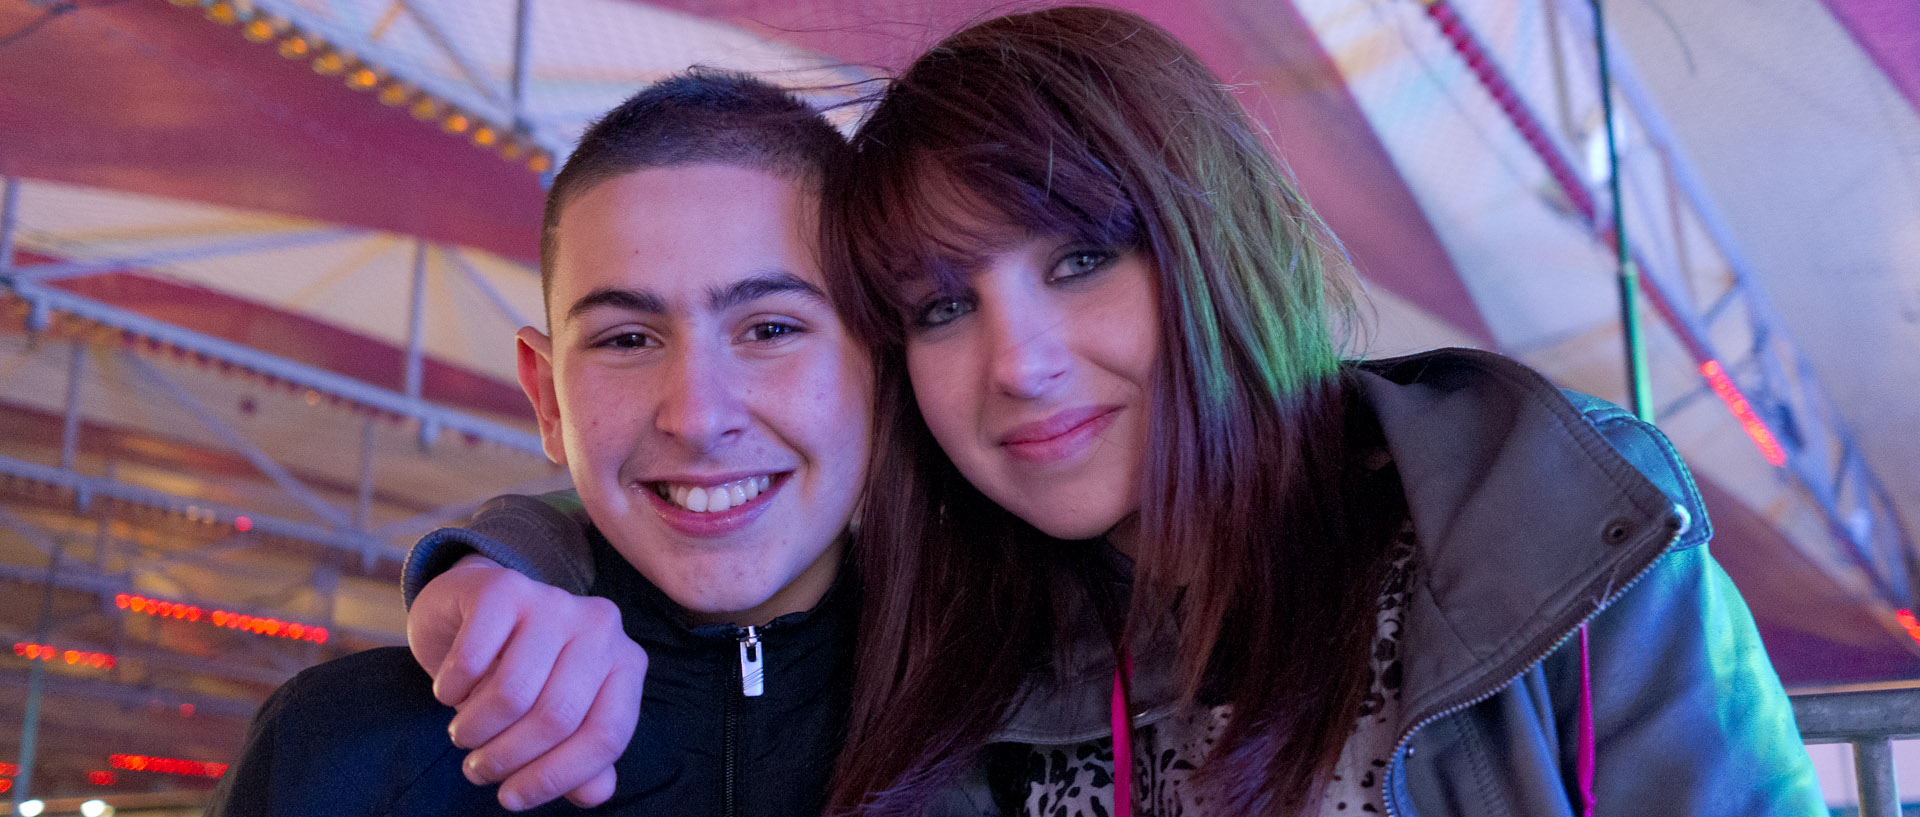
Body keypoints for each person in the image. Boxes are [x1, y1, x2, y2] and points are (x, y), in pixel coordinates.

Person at [409, 7, 1826, 816]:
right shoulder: (965, 632)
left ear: (1217, 245)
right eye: (941, 307)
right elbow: (703, 493)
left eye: (1082, 259)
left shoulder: (1543, 536)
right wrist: (500, 570)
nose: (1018, 363)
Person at [206, 70, 872, 816]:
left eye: (771, 329)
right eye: (627, 339)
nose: (696, 415)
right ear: (548, 397)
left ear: (885, 365)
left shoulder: (1005, 738)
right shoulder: (346, 748)